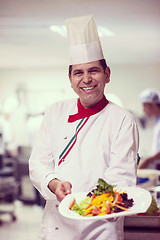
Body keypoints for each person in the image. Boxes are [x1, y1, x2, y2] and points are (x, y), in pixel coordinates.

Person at [29, 15, 139, 240]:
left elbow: (120, 177)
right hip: (57, 223)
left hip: (101, 225)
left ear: (107, 75)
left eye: (93, 71)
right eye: (78, 72)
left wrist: (93, 206)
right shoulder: (54, 112)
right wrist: (55, 183)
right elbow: (38, 163)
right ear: (70, 79)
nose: (86, 79)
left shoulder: (123, 120)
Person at [139, 88, 160, 169]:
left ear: (153, 104)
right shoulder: (157, 122)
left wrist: (147, 160)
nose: (143, 109)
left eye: (145, 105)